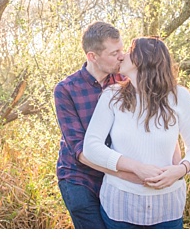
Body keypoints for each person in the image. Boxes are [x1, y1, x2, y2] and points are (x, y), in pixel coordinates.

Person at [80, 36, 190, 229]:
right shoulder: (112, 96)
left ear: (144, 60)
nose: (122, 56)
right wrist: (136, 167)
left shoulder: (180, 96)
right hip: (120, 207)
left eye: (129, 51)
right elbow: (91, 147)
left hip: (168, 207)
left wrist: (181, 169)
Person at [53, 21, 144, 229]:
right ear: (92, 56)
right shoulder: (66, 90)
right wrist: (125, 174)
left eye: (122, 49)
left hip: (117, 173)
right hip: (79, 176)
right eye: (114, 53)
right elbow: (79, 148)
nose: (121, 56)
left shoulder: (125, 81)